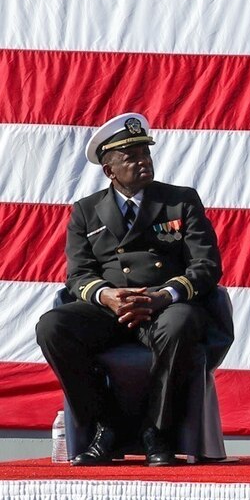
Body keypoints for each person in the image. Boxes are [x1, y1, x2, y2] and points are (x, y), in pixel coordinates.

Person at [36, 114, 222, 466]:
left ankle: (157, 431)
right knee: (52, 327)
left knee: (180, 325)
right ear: (109, 170)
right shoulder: (86, 211)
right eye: (131, 157)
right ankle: (104, 426)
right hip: (111, 308)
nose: (143, 162)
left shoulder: (180, 201)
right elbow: (78, 275)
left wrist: (163, 295)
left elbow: (206, 266)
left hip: (164, 304)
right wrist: (108, 296)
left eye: (145, 154)